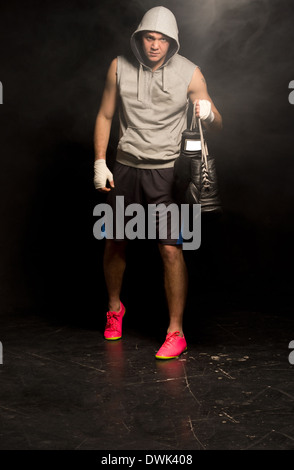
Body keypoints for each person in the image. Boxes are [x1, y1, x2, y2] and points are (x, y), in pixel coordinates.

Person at [93, 6, 222, 359]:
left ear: (173, 43)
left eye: (162, 40)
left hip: (168, 172)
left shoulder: (189, 72)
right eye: (149, 37)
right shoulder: (119, 66)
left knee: (169, 248)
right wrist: (100, 161)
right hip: (125, 168)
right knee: (116, 241)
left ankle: (175, 331)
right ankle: (115, 309)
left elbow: (217, 122)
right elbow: (105, 113)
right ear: (139, 38)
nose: (155, 45)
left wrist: (208, 112)